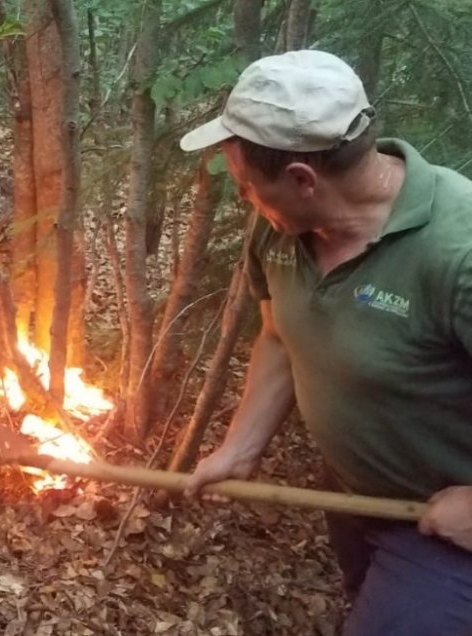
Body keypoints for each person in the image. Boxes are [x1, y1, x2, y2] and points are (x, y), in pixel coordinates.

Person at [178, 49, 472, 635]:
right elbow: (281, 335)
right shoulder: (282, 227)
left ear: (302, 179)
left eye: (246, 186)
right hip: (357, 501)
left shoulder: (457, 252)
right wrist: (241, 448)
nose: (244, 201)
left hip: (449, 532)